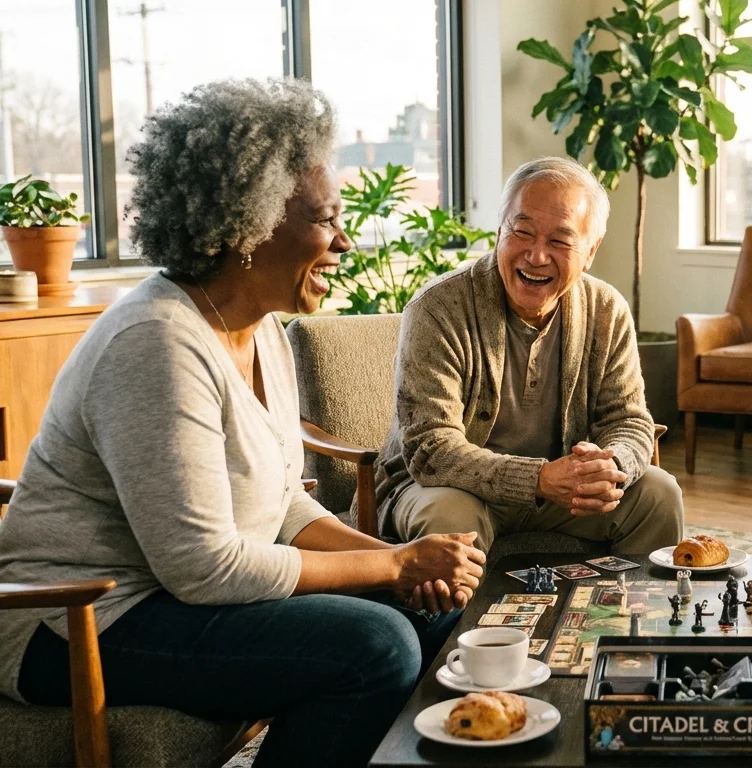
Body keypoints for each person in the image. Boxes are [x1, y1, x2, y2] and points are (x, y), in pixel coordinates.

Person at [0, 79, 485, 767]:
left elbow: (285, 503)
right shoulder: (155, 343)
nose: (343, 240)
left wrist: (401, 573)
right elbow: (206, 568)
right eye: (326, 219)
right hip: (78, 621)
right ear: (246, 227)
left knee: (430, 609)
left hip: (169, 600)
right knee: (375, 648)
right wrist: (392, 561)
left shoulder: (261, 333)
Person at [375, 156, 684, 553]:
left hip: (561, 495)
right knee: (450, 521)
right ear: (499, 230)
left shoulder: (606, 309)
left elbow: (628, 419)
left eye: (559, 241)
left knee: (659, 495)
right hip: (445, 488)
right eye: (522, 232)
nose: (537, 256)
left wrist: (611, 465)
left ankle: (626, 616)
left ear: (590, 250)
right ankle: (450, 620)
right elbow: (430, 448)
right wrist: (540, 478)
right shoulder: (439, 307)